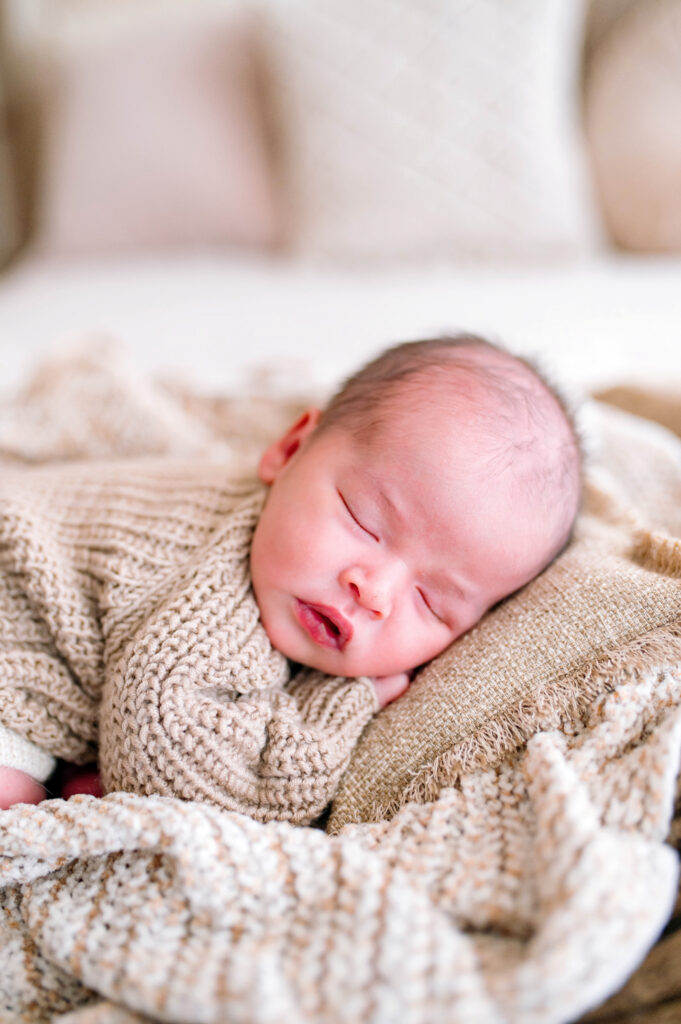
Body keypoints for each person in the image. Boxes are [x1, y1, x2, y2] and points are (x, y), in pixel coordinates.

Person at [0, 334, 581, 817]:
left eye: (432, 602)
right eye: (364, 521)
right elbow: (172, 766)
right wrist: (346, 705)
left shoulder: (285, 563)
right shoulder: (213, 594)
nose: (373, 592)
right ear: (290, 448)